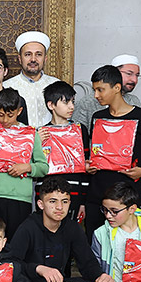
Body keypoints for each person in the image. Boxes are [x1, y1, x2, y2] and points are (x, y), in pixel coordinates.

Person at [8, 177, 114, 282]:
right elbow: (11, 264)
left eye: (65, 201)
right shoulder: (28, 227)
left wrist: (100, 277)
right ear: (41, 204)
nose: (59, 207)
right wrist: (39, 268)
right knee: (15, 281)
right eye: (53, 201)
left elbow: (87, 262)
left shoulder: (72, 228)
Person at [84, 65, 141, 238]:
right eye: (95, 90)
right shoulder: (98, 117)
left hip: (126, 196)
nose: (96, 95)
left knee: (124, 245)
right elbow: (96, 151)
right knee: (94, 243)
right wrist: (89, 164)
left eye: (100, 90)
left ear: (117, 88)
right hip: (96, 193)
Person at [0, 88, 49, 238]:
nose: (4, 120)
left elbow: (43, 167)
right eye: (0, 114)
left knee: (16, 241)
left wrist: (27, 167)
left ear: (19, 111)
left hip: (20, 197)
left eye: (10, 115)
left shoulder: (31, 134)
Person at [40, 80, 90, 222]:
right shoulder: (41, 132)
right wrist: (36, 143)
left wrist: (82, 201)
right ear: (51, 105)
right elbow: (35, 167)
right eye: (66, 102)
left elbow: (85, 169)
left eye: (73, 102)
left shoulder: (80, 130)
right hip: (47, 195)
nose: (71, 107)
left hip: (74, 193)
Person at [3, 31, 60, 128]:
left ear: (45, 59)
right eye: (28, 54)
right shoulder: (6, 87)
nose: (33, 59)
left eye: (38, 54)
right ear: (20, 59)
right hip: (19, 141)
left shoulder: (57, 85)